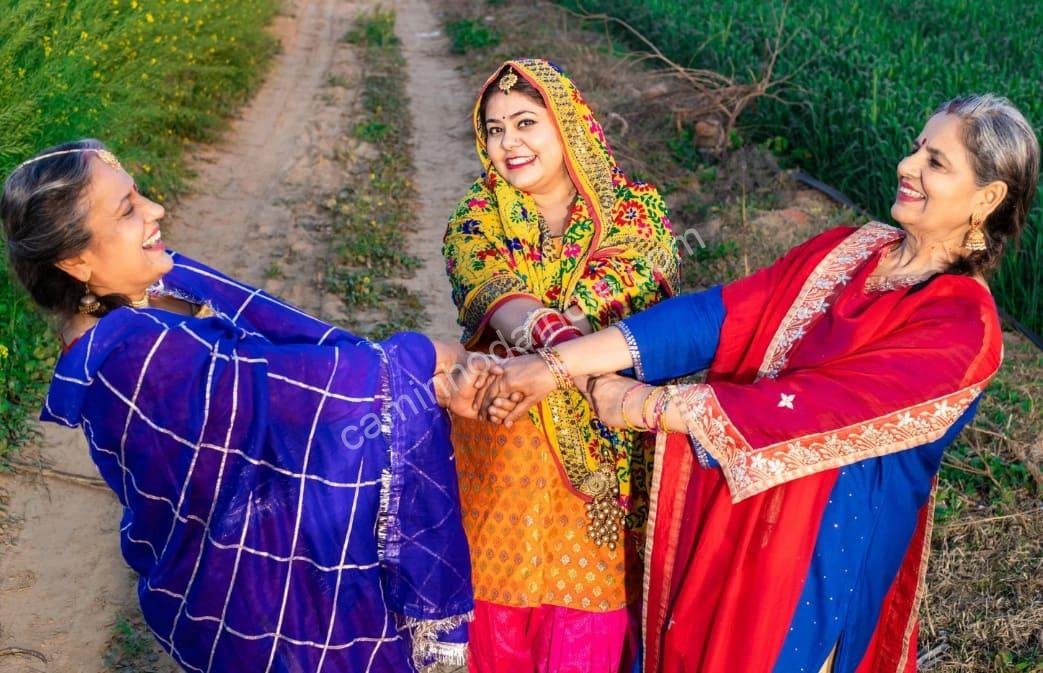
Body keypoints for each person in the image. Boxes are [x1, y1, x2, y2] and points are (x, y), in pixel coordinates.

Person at [481, 94, 1039, 672]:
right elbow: (716, 318)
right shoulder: (848, 250)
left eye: (936, 162)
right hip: (730, 518)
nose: (908, 165)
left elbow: (820, 408)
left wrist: (645, 404)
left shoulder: (962, 326)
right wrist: (557, 365)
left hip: (817, 561)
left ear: (988, 197)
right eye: (917, 147)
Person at [1, 139, 495, 673]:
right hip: (259, 600)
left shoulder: (161, 285)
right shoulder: (130, 357)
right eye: (127, 210)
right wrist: (421, 359)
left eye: (139, 195)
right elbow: (288, 391)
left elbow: (292, 347)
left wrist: (415, 381)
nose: (155, 211)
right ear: (75, 261)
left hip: (285, 554)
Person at [441, 58, 680, 672]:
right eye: (494, 130)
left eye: (525, 123)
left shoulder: (634, 213)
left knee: (586, 610)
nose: (508, 143)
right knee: (497, 603)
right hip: (500, 435)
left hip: (602, 451)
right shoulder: (478, 212)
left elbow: (625, 290)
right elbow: (491, 287)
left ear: (567, 125)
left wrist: (555, 349)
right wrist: (547, 333)